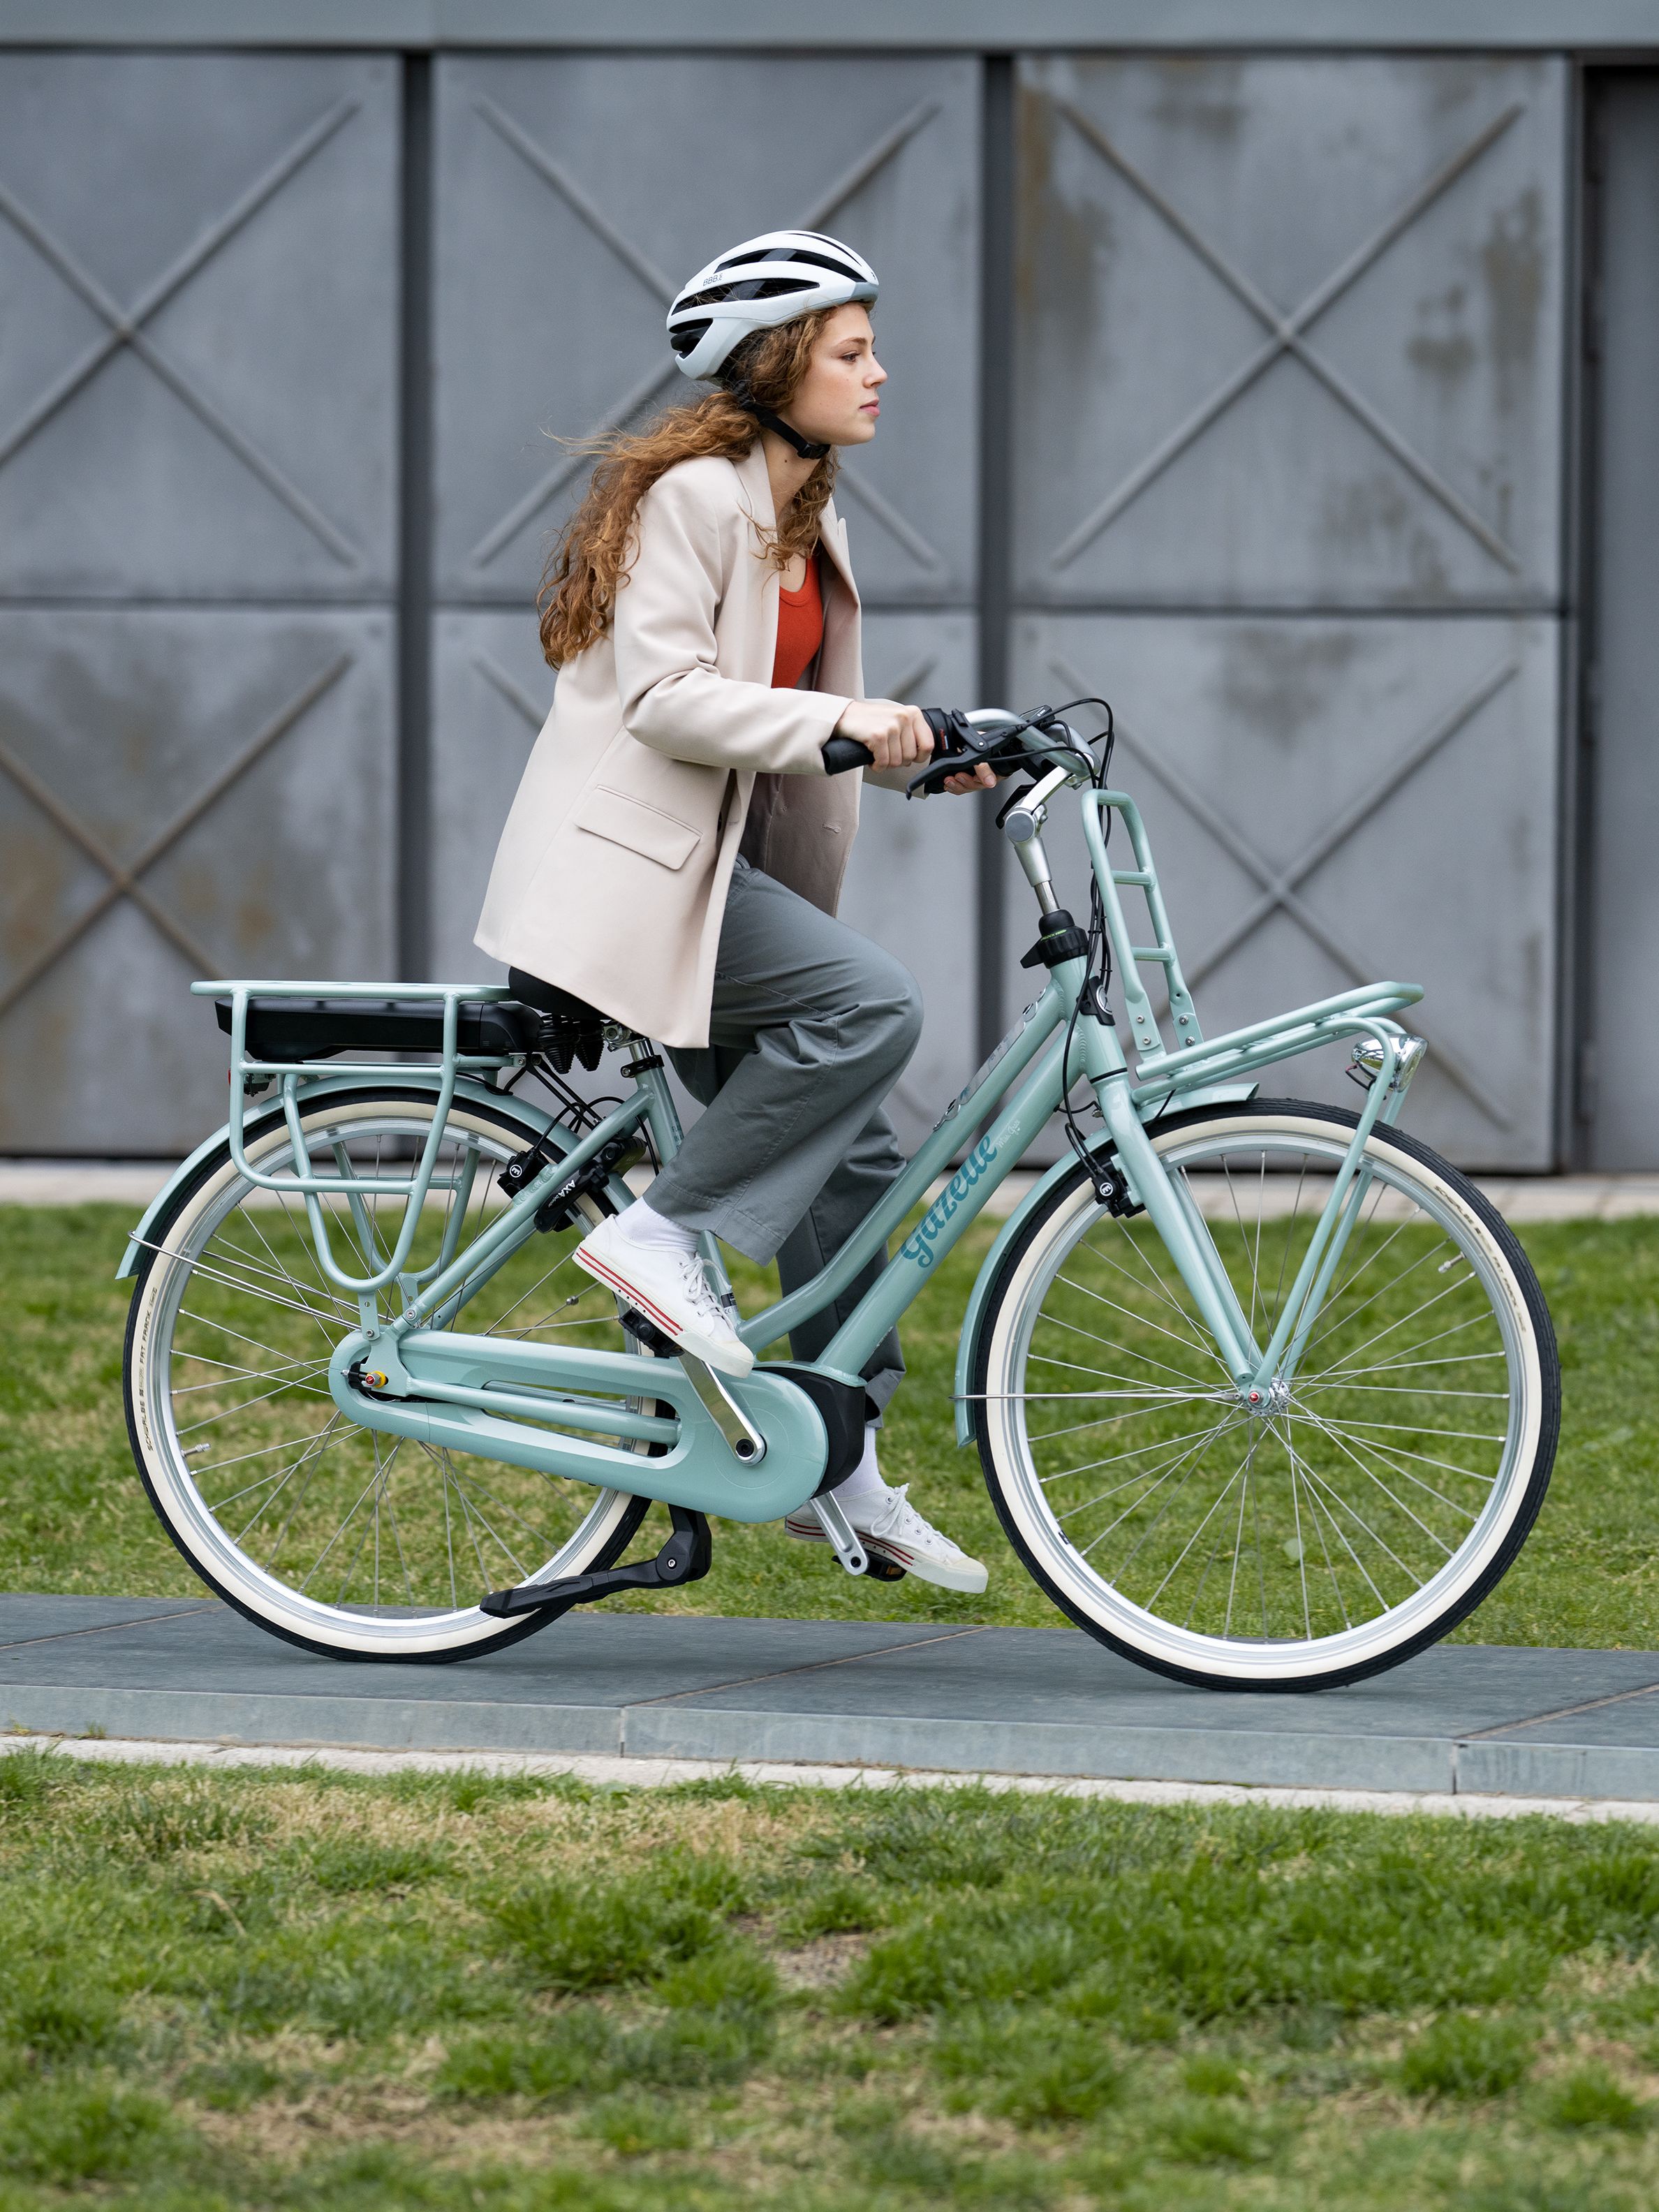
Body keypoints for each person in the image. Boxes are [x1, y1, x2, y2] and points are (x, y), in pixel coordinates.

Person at [475, 230, 994, 1592]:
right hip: (635, 884)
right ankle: (659, 1237)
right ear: (773, 365)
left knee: (860, 1181)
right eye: (850, 349)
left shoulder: (802, 512)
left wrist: (937, 747)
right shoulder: (696, 499)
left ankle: (843, 1467)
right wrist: (854, 717)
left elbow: (798, 714)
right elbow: (666, 697)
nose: (880, 372)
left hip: (719, 884)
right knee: (869, 1005)